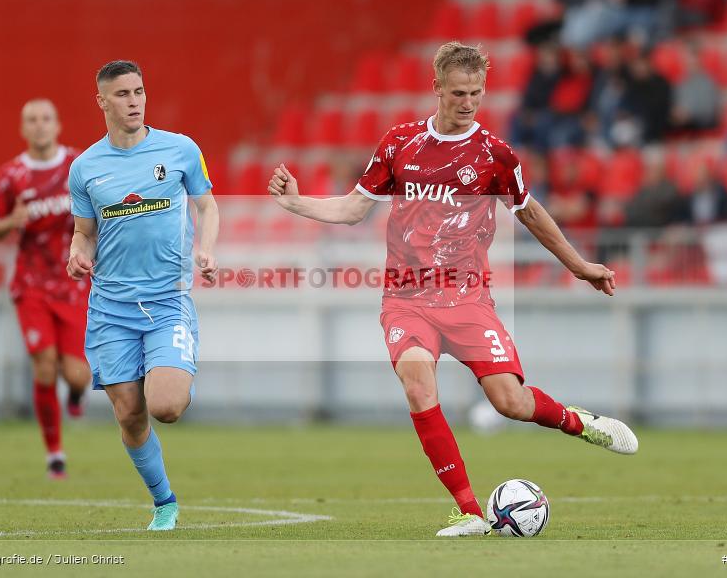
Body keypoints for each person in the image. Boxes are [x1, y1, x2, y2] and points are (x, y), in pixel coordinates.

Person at [268, 42, 638, 537]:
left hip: (467, 298)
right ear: (437, 88)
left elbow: (529, 212)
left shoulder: (494, 155)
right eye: (459, 93)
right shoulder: (400, 144)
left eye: (477, 93)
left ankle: (577, 421)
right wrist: (297, 204)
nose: (468, 102)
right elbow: (354, 209)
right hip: (406, 299)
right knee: (418, 386)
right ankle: (467, 510)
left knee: (510, 401)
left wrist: (578, 265)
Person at [67, 60, 219, 531]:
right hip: (111, 308)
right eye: (123, 94)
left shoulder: (180, 149)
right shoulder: (85, 168)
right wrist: (76, 253)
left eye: (139, 92)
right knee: (130, 415)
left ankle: (173, 371)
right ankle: (164, 502)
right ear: (102, 101)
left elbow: (207, 204)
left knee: (166, 407)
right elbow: (83, 233)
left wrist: (206, 249)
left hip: (167, 301)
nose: (134, 101)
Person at [0, 99, 90, 479]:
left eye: (46, 119)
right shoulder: (11, 175)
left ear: (58, 125)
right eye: (32, 120)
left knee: (77, 374)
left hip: (73, 282)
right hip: (30, 285)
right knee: (44, 366)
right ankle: (54, 454)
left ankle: (76, 395)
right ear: (23, 129)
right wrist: (12, 219)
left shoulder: (79, 165)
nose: (40, 126)